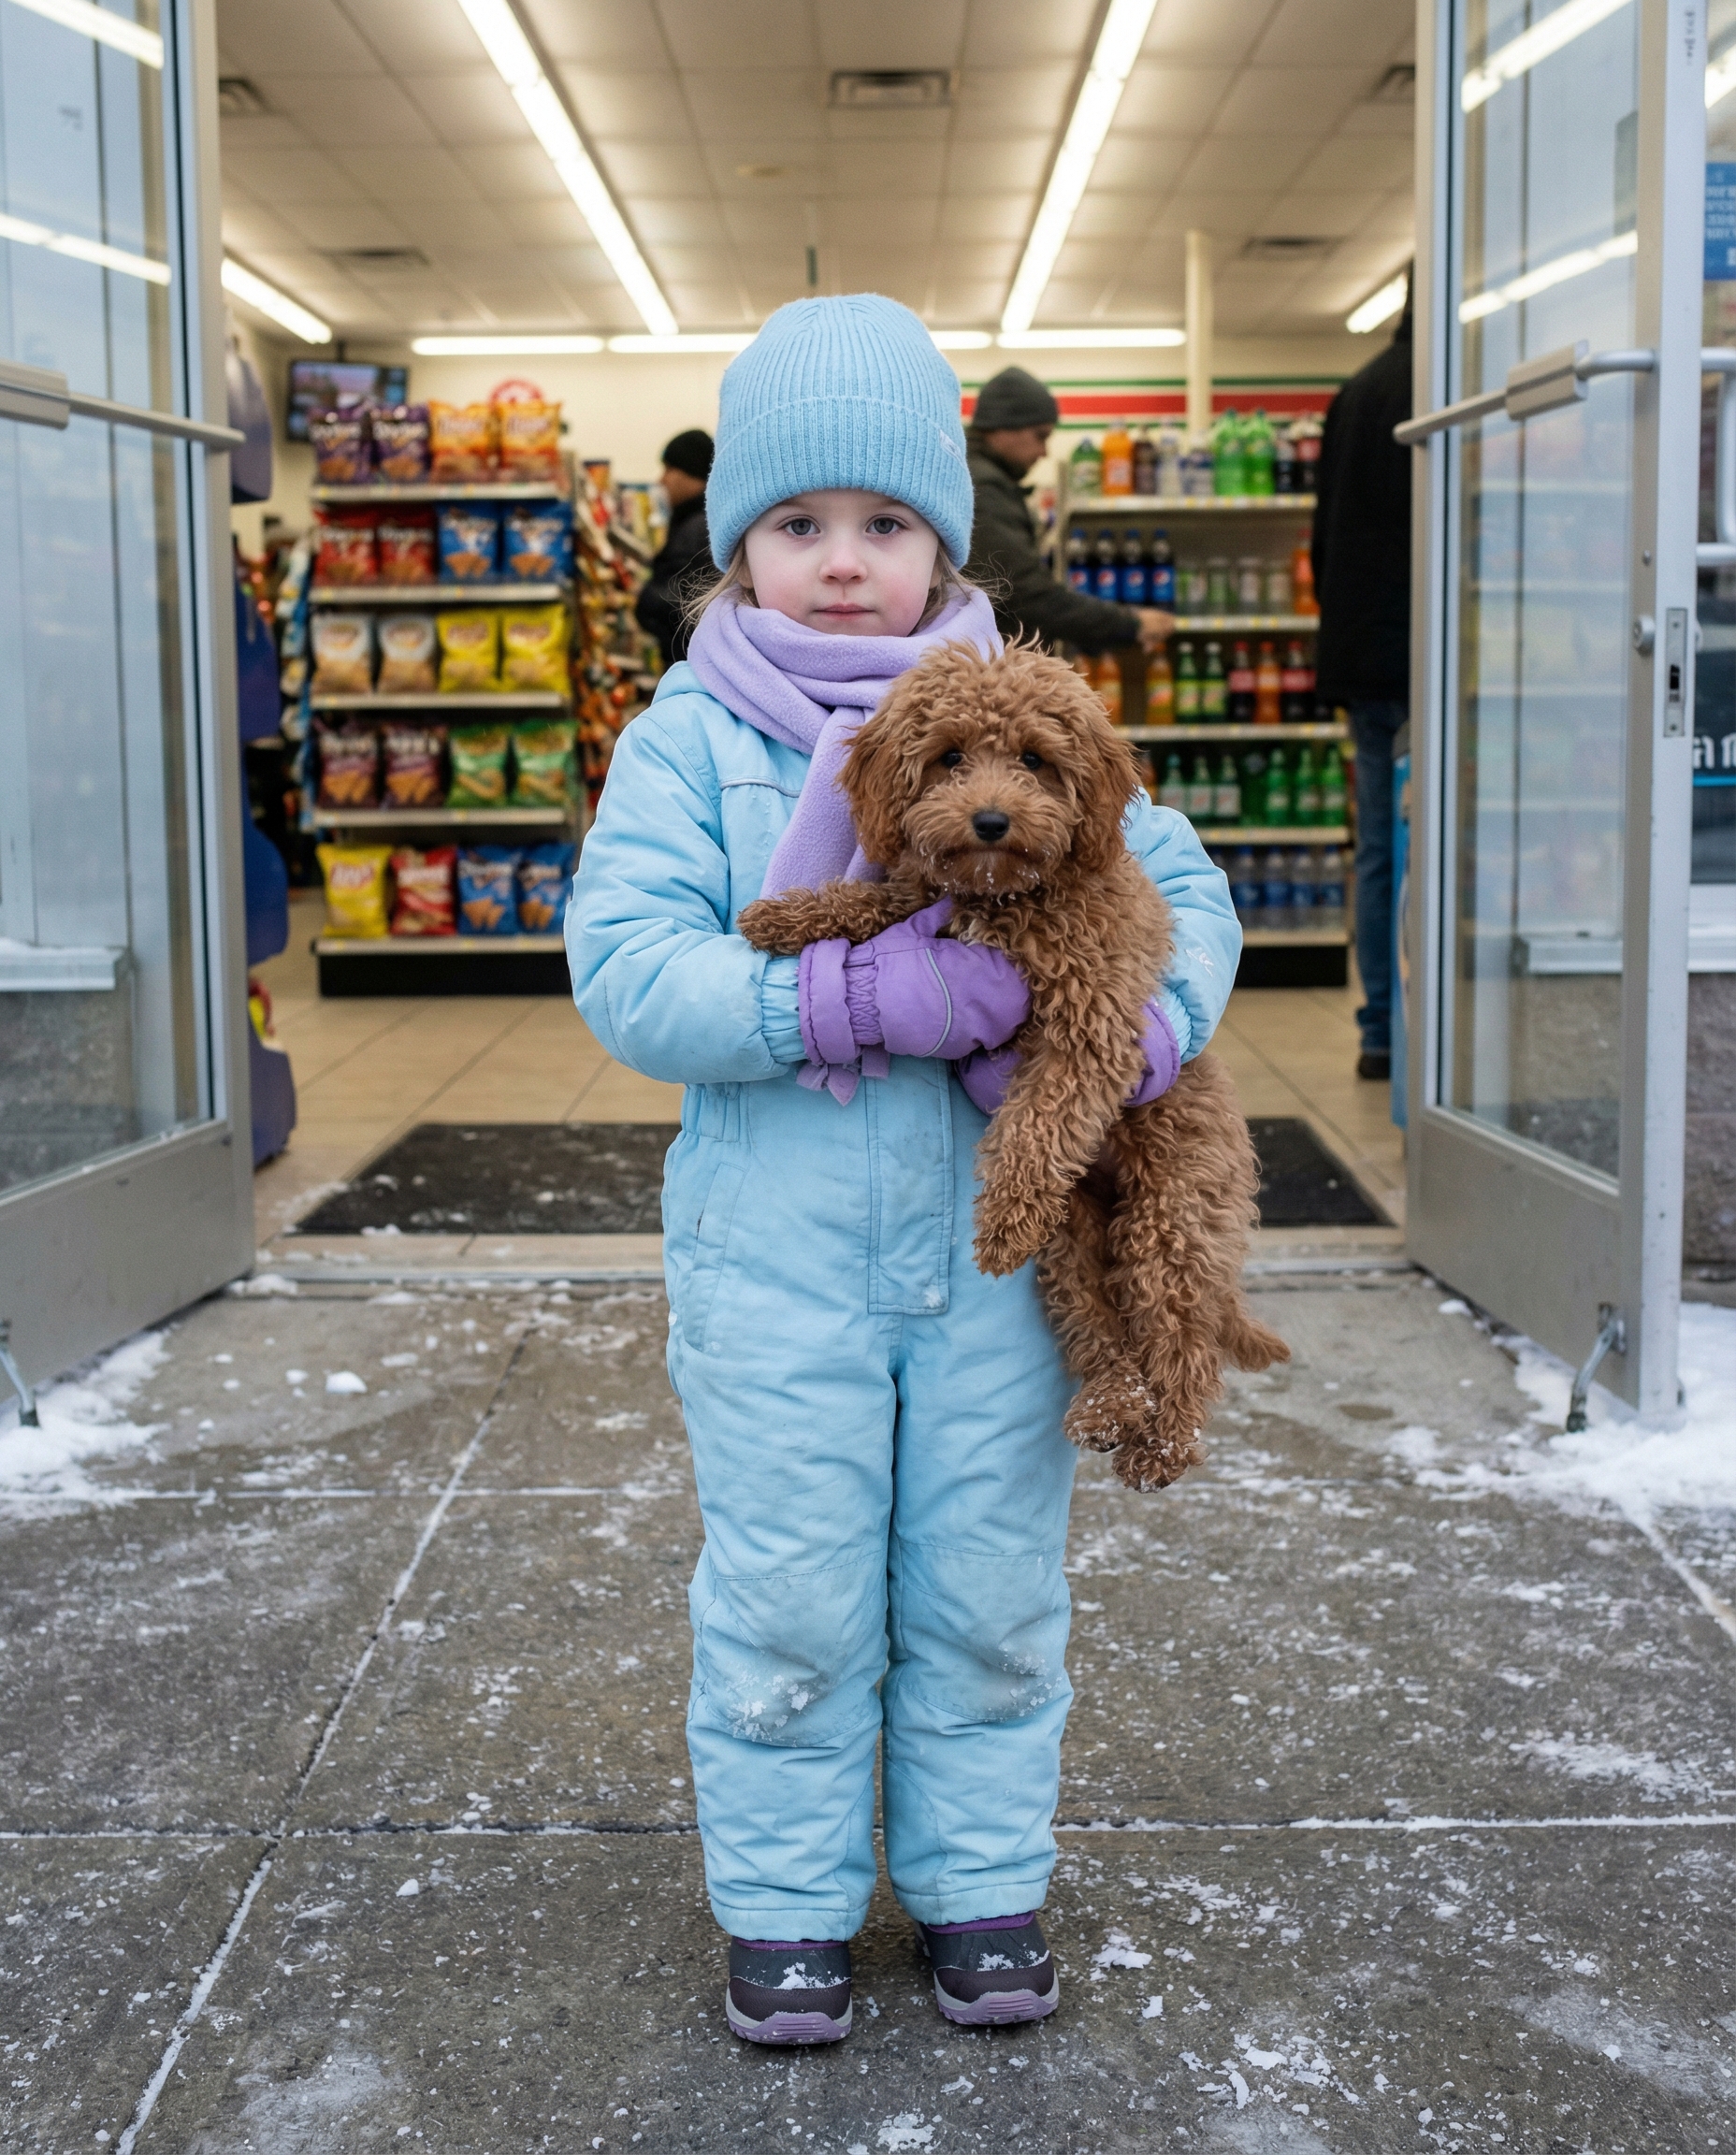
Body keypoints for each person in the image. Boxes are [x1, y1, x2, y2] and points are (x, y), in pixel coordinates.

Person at [567, 295, 1239, 2047]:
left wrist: (1145, 1035)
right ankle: (788, 1907)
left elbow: (1186, 898)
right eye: (797, 523)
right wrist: (856, 993)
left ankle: (980, 1883)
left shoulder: (1031, 711)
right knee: (790, 1590)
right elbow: (628, 967)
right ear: (737, 544)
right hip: (773, 1264)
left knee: (988, 1584)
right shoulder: (689, 736)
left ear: (946, 540)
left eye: (884, 522)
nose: (844, 561)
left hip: (997, 1278)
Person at [1311, 277, 1413, 1081]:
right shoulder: (1439, 389)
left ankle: (1382, 1029)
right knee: (1445, 844)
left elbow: (1324, 535)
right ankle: (1437, 1032)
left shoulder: (1355, 391)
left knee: (1379, 846)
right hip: (1428, 654)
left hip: (1364, 651)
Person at [964, 365, 1172, 657]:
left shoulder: (980, 478)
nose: (1044, 452)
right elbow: (1028, 595)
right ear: (1002, 426)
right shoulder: (984, 488)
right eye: (1040, 436)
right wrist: (1129, 624)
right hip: (984, 667)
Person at [635, 427, 715, 665]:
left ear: (692, 471)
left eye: (669, 469)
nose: (662, 480)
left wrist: (643, 599)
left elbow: (675, 603)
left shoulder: (697, 529)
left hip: (690, 663)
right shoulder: (696, 522)